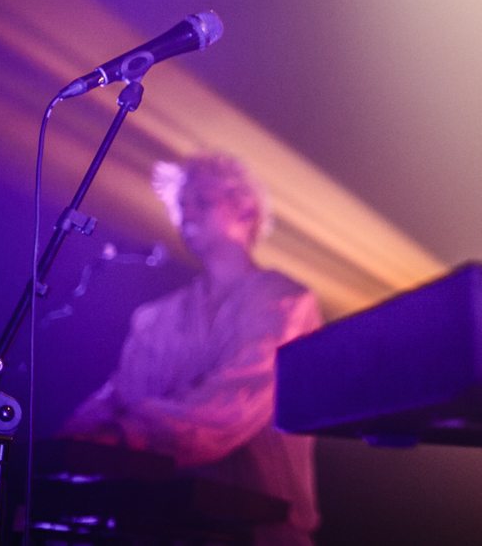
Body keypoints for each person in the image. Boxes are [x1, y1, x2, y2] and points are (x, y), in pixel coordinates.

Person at [64, 152, 322, 546]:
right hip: (160, 527)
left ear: (246, 209)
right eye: (180, 204)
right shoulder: (156, 318)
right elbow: (119, 395)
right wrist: (72, 437)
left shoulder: (286, 302)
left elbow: (233, 404)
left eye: (201, 200)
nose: (186, 213)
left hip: (260, 534)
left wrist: (124, 435)